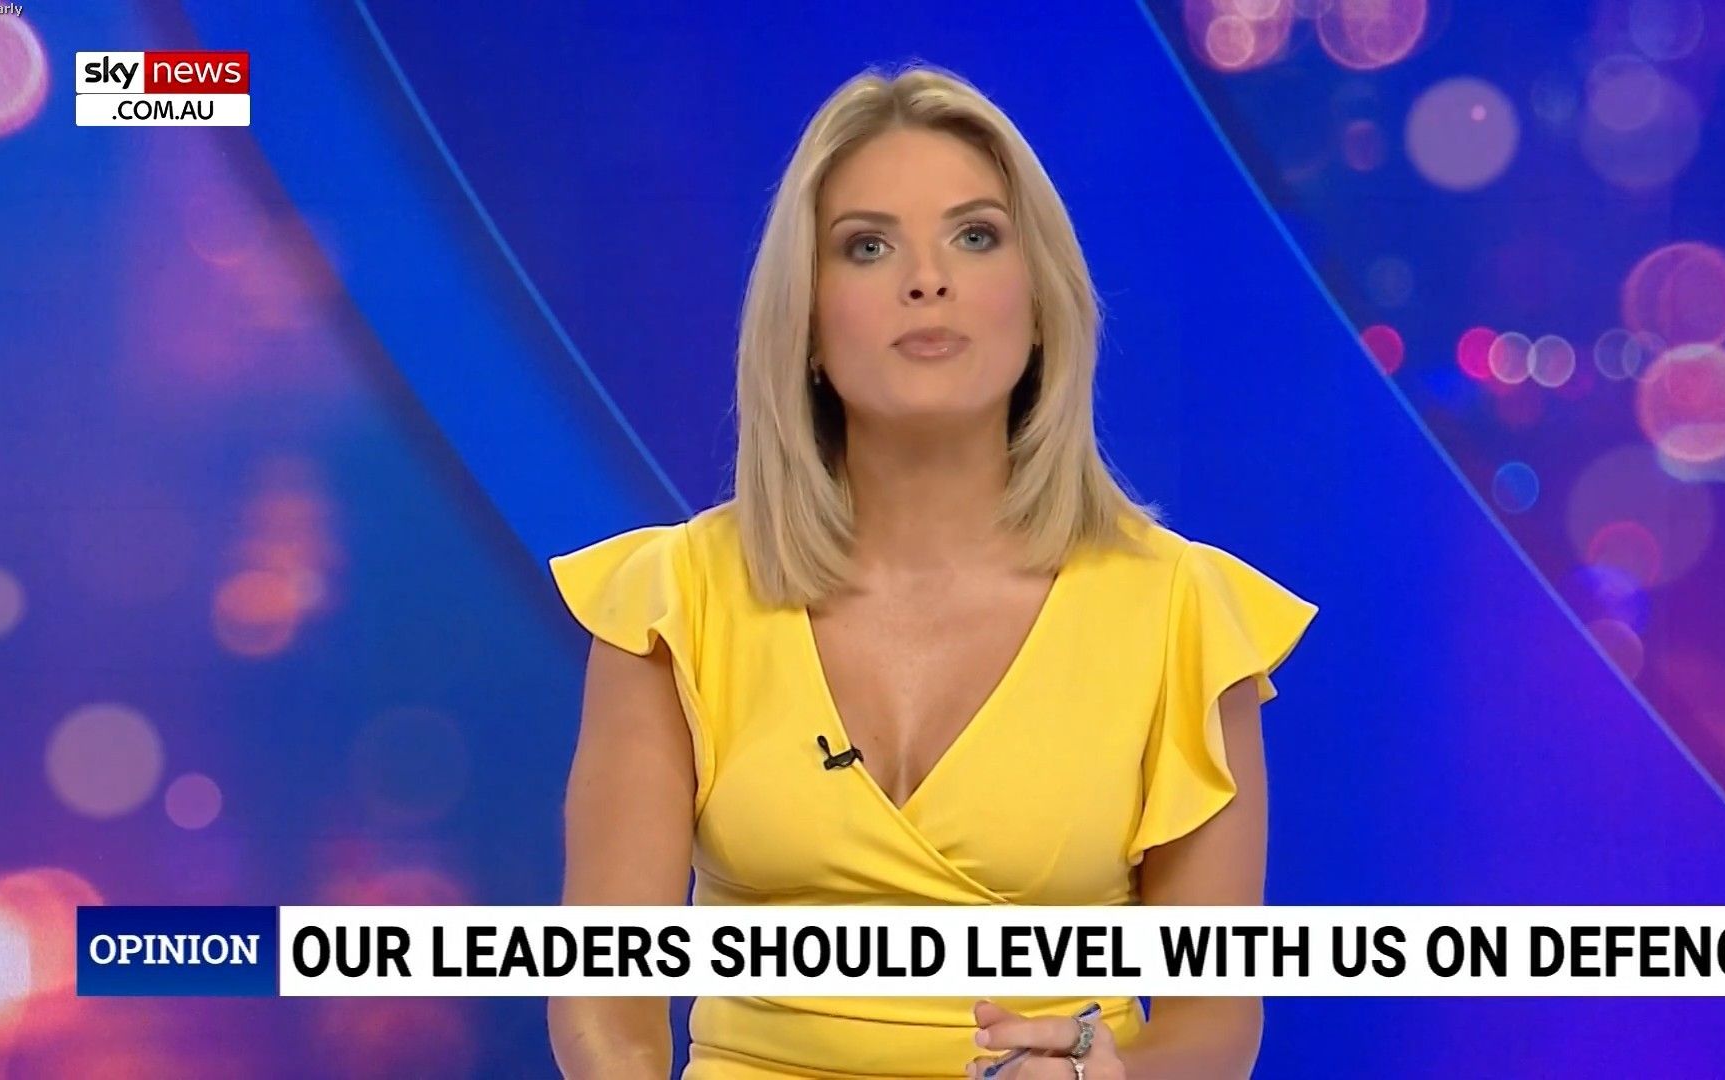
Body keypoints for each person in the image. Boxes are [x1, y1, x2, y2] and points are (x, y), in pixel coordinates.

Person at [546, 61, 1318, 1080]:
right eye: (867, 246)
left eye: (975, 236)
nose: (926, 279)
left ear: (1039, 307)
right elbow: (605, 1003)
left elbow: (1214, 1025)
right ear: (805, 322)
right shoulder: (673, 603)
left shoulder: (1184, 615)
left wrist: (1102, 1073)